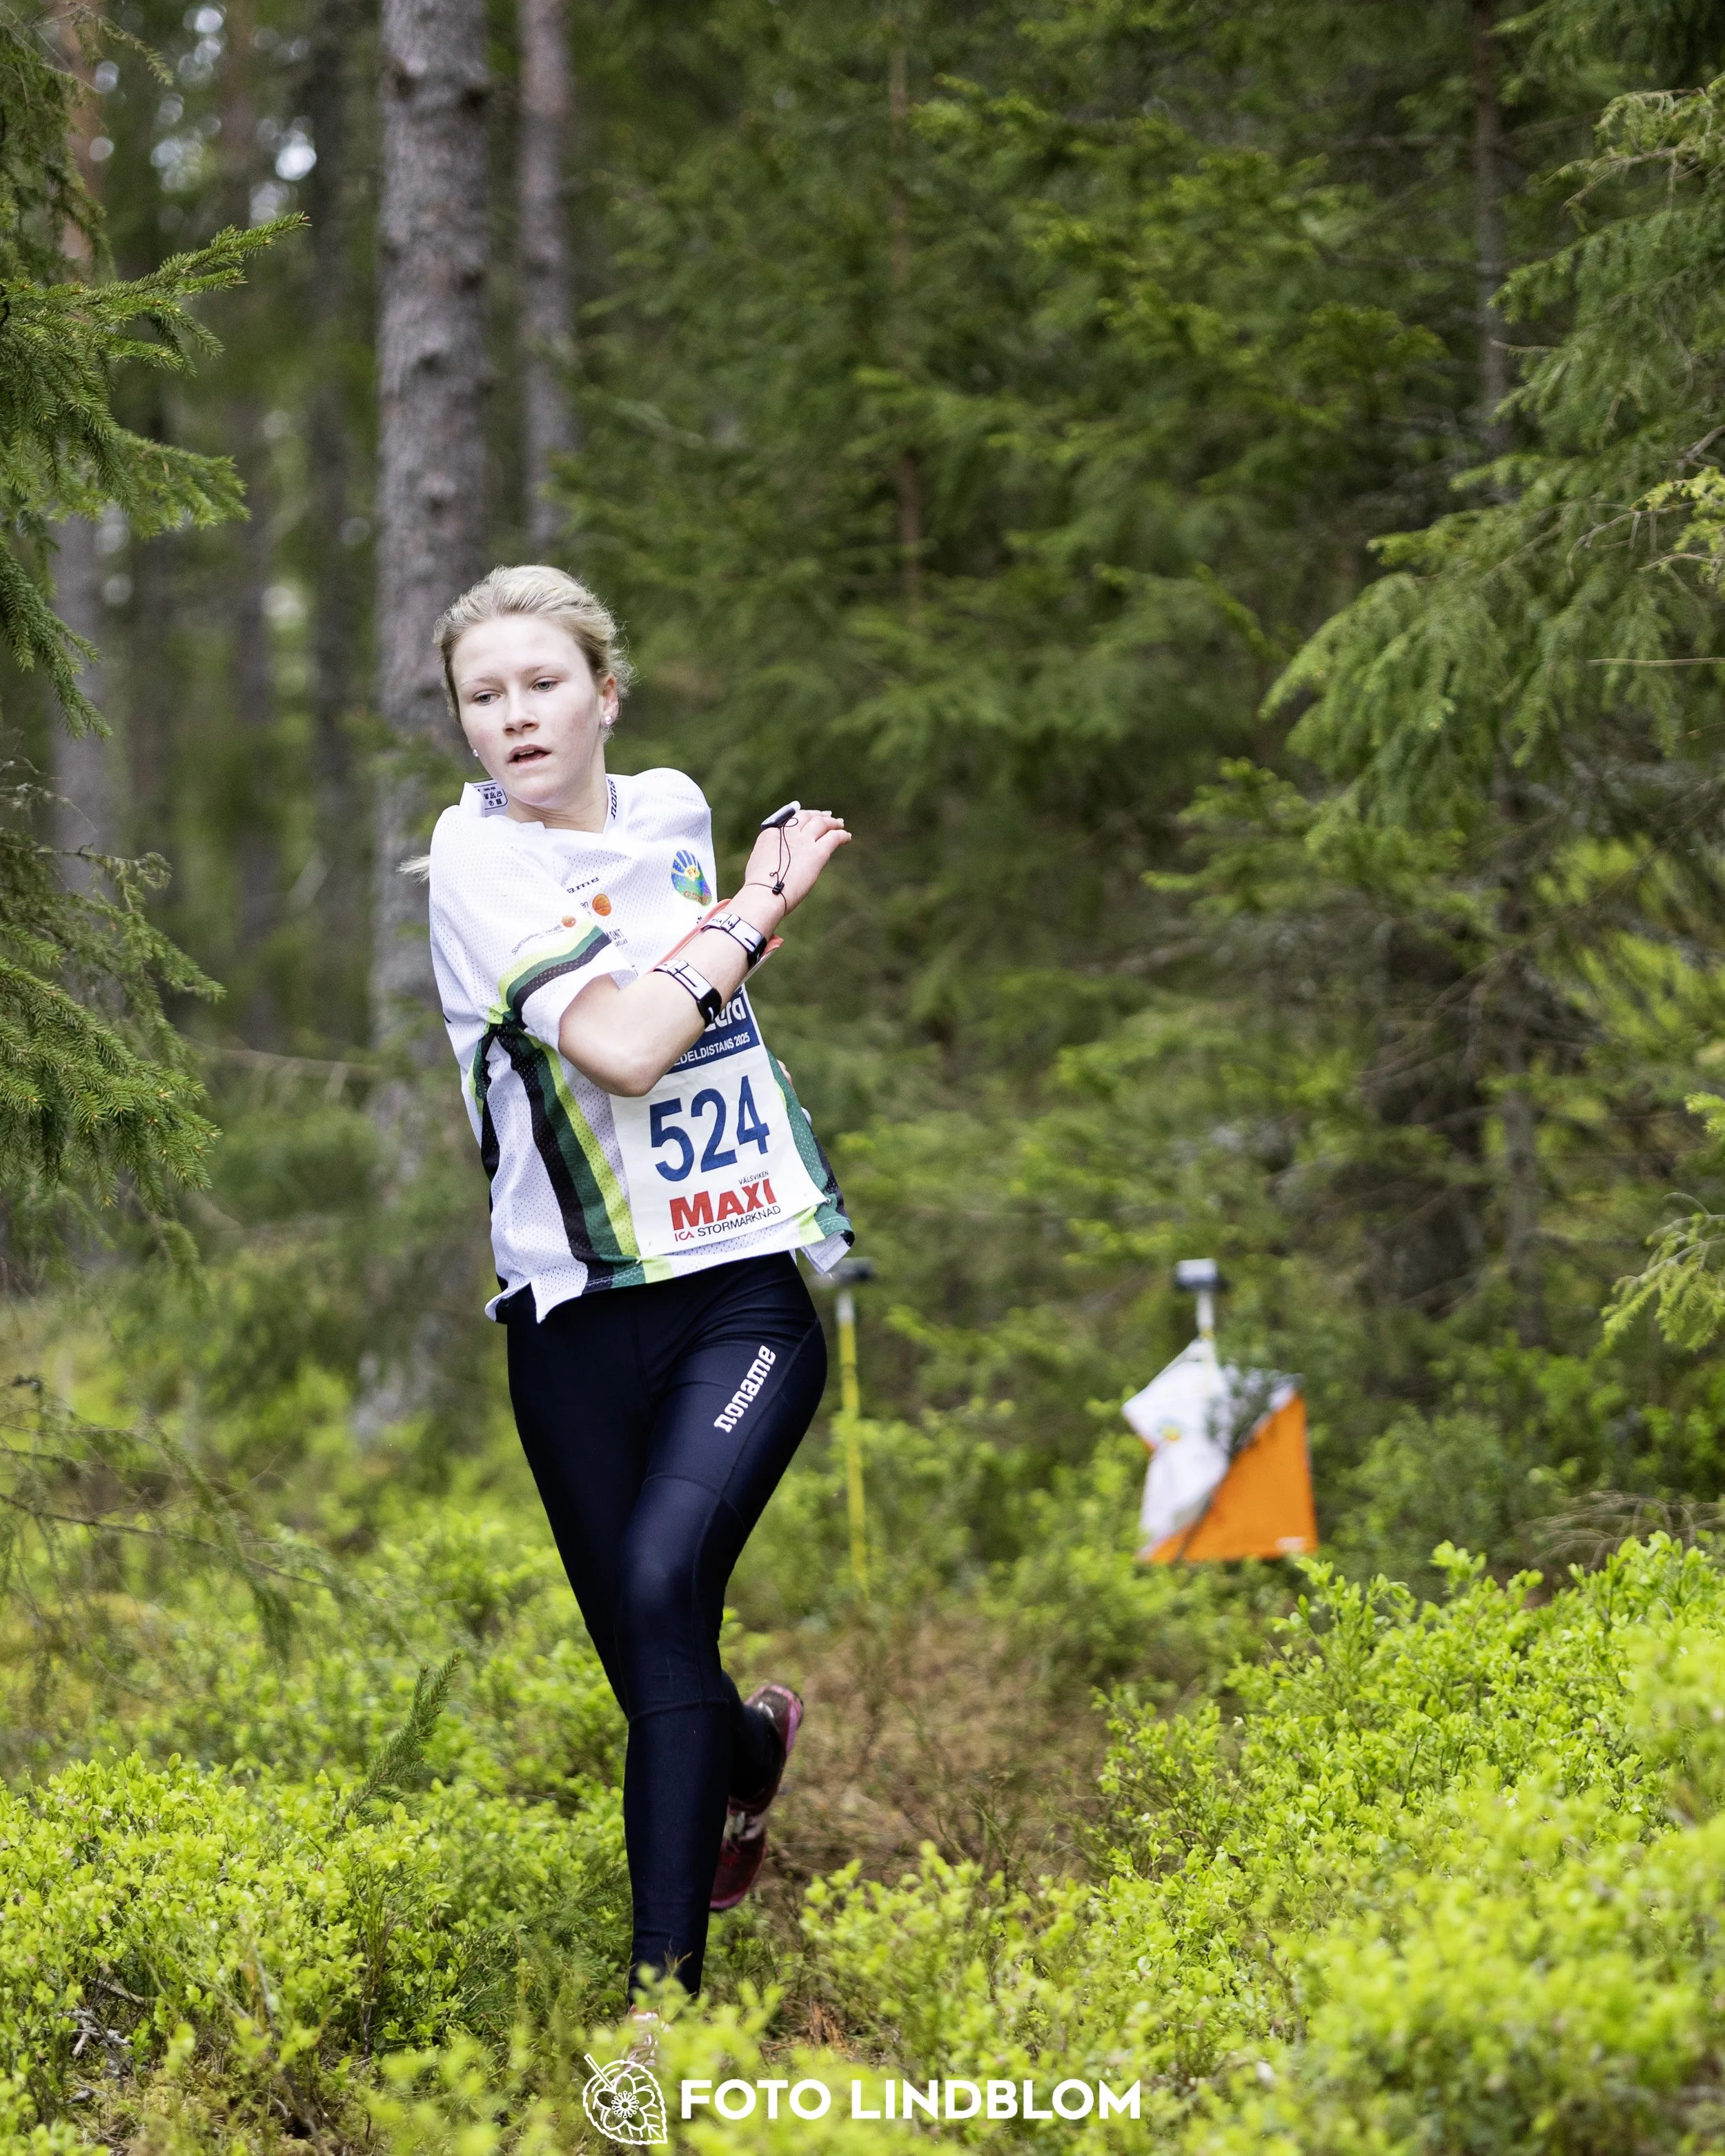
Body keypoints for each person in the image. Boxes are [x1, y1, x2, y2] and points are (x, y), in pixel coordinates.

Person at [424, 564, 853, 2013]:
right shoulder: (476, 866)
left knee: (670, 1583)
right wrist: (761, 903)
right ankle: (745, 1752)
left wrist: (743, 906)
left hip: (738, 1290)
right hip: (567, 1322)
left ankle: (654, 2028)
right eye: (482, 697)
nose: (512, 715)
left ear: (604, 691)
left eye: (541, 682)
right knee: (653, 1669)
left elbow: (710, 979)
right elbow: (620, 1045)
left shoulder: (671, 810)